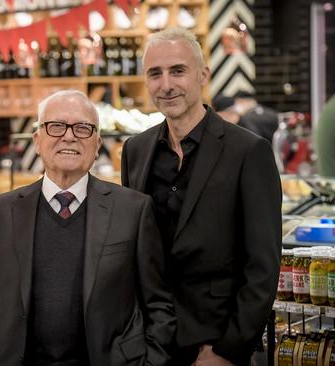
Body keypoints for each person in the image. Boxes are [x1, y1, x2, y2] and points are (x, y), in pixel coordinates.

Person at [0, 90, 175, 366]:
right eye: (56, 126)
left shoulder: (133, 210)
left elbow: (158, 304)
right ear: (37, 141)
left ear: (97, 142)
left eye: (83, 128)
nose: (69, 136)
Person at [121, 27, 282, 366]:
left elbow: (263, 267)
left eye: (178, 71)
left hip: (218, 344)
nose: (166, 85)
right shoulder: (135, 150)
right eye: (155, 74)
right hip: (152, 345)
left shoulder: (249, 151)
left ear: (203, 75)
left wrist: (228, 350)